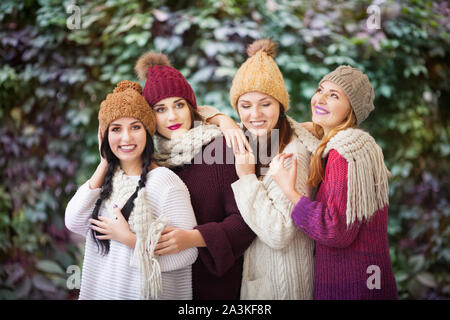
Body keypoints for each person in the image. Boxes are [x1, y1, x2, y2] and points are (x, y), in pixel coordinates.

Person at [134, 52, 256, 300]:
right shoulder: (153, 162)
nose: (172, 117)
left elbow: (246, 221)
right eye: (160, 109)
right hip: (166, 286)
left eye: (179, 105)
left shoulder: (220, 149)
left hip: (213, 287)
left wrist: (193, 238)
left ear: (191, 108)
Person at [269, 65, 398, 299]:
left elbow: (335, 230)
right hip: (367, 285)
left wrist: (288, 188)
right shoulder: (354, 146)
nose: (321, 98)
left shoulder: (343, 152)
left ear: (351, 110)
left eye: (334, 95)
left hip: (348, 287)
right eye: (320, 90)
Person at [65, 80, 198, 300]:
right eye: (116, 129)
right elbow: (74, 221)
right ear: (104, 135)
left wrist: (128, 238)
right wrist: (103, 164)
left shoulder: (165, 183)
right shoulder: (106, 182)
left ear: (147, 132)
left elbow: (187, 254)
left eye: (135, 127)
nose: (126, 138)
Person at [210, 39, 318, 299]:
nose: (254, 114)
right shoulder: (253, 140)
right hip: (260, 282)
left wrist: (246, 177)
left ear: (280, 105)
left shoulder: (292, 153)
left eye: (265, 104)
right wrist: (222, 120)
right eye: (245, 106)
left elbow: (280, 233)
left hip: (283, 284)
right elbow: (194, 116)